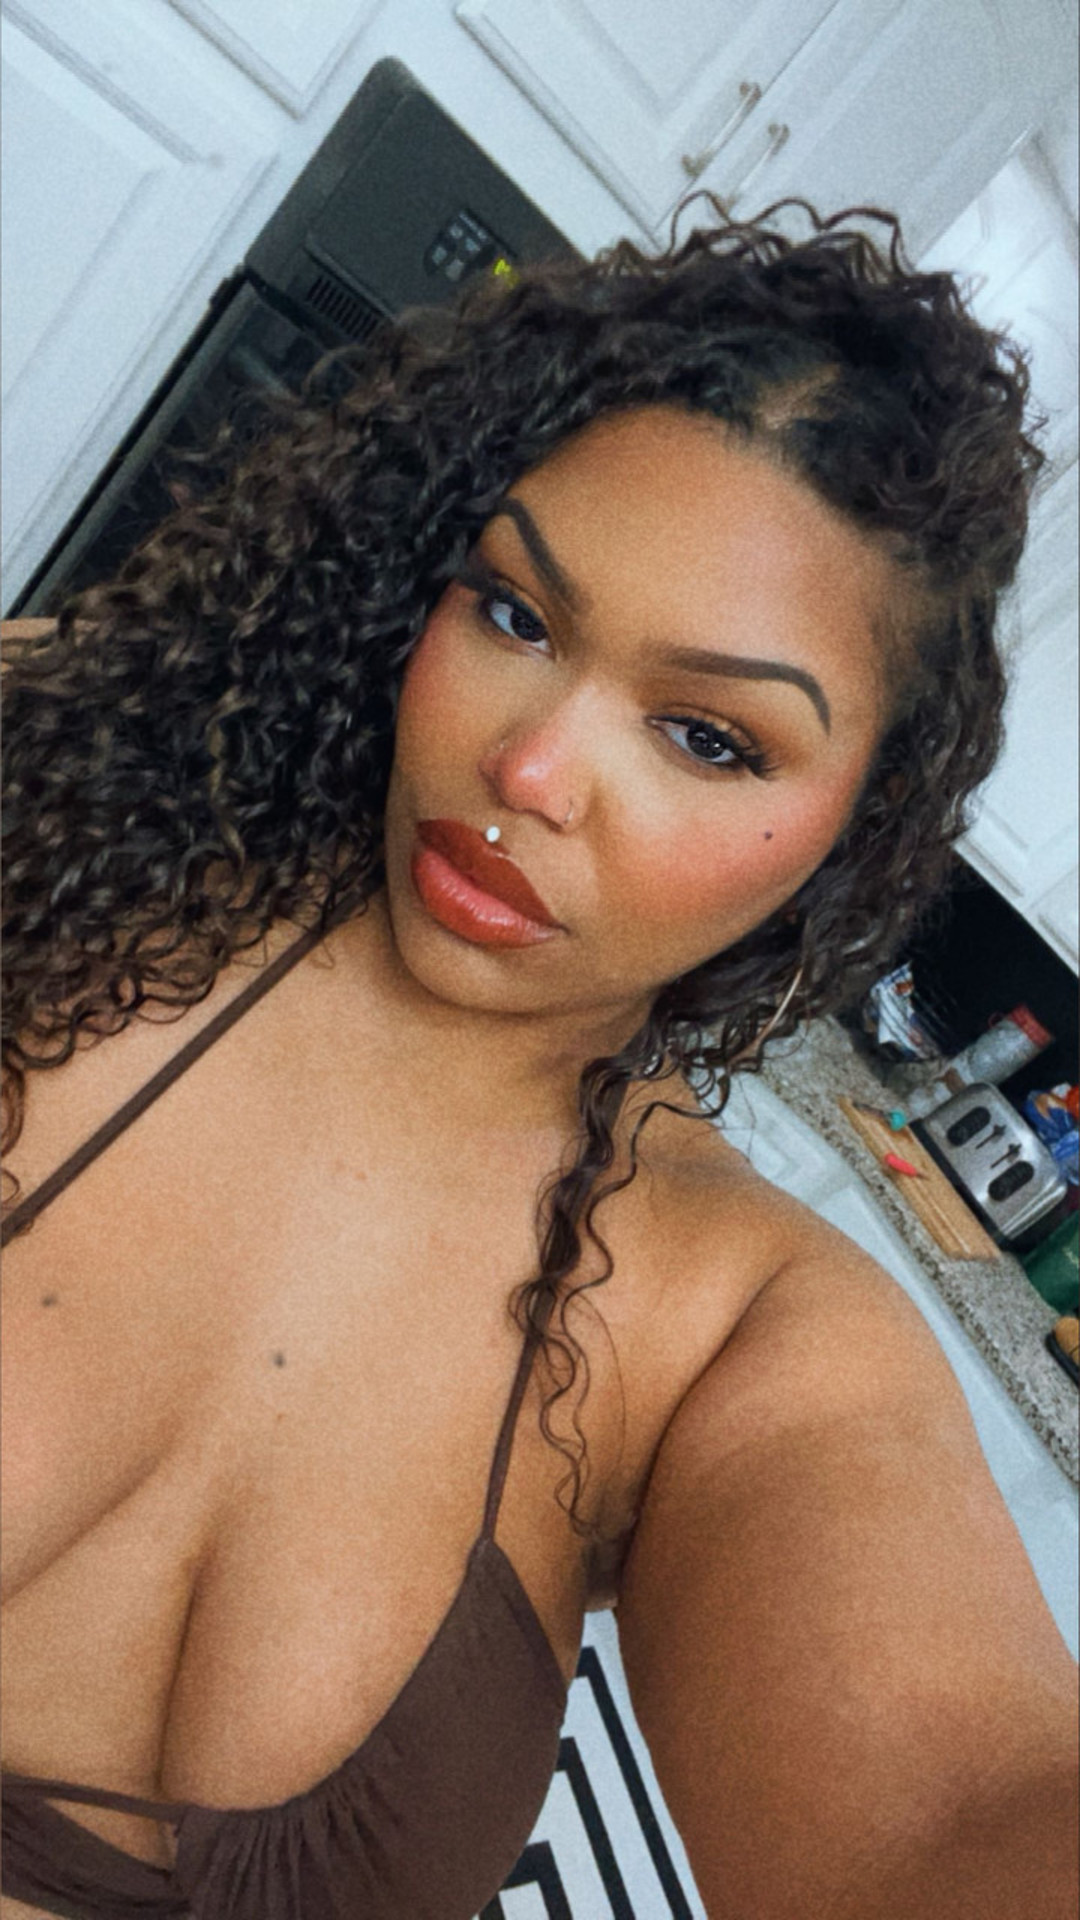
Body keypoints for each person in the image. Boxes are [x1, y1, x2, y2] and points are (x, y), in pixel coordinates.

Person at [1, 202, 1076, 1920]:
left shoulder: (736, 1324)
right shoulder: (49, 799)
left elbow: (958, 1814)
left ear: (855, 836)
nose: (532, 770)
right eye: (513, 613)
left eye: (708, 736)